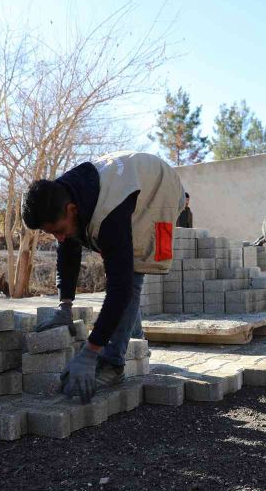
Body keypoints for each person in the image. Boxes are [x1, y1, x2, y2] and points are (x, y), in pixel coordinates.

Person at [22, 151, 184, 403]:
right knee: (110, 266)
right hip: (130, 181)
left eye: (59, 230)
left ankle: (114, 362)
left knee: (132, 272)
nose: (59, 237)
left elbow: (121, 289)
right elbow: (68, 250)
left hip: (158, 188)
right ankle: (134, 341)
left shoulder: (111, 215)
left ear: (72, 210)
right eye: (52, 233)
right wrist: (65, 306)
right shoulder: (61, 194)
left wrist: (91, 351)